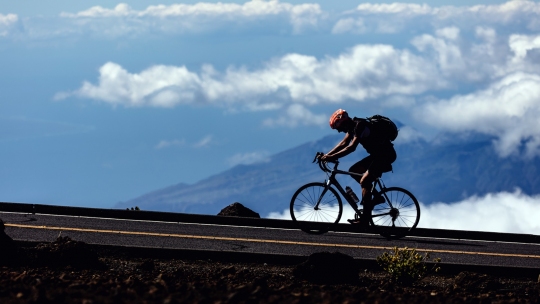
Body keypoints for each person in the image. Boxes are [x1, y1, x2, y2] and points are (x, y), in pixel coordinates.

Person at [319, 109, 396, 225]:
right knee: (353, 171)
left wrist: (330, 157)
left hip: (385, 155)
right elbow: (344, 143)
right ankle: (376, 197)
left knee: (365, 181)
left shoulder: (359, 125)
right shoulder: (352, 127)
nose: (340, 131)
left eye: (339, 128)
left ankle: (365, 219)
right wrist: (327, 155)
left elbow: (351, 147)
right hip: (377, 155)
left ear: (343, 122)